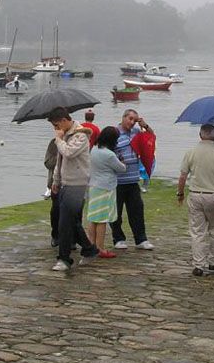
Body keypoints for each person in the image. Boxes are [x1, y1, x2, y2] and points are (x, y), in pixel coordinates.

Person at [176, 124, 214, 276]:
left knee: (197, 231)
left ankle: (198, 264)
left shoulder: (191, 153)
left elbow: (182, 176)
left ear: (200, 135)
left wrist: (180, 193)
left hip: (196, 194)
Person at [49, 107, 100, 271]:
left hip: (77, 184)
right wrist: (56, 180)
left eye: (57, 125)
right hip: (65, 183)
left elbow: (69, 153)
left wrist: (58, 140)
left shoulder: (81, 135)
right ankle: (89, 249)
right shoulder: (65, 136)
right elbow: (60, 160)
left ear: (64, 120)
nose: (56, 129)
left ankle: (64, 259)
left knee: (64, 223)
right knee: (72, 221)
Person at [110, 109, 154, 250]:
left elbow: (151, 137)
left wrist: (145, 125)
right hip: (118, 180)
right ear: (123, 118)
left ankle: (141, 239)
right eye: (130, 118)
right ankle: (118, 238)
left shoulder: (137, 132)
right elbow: (107, 152)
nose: (131, 122)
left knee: (137, 210)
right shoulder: (114, 133)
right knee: (116, 211)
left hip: (133, 179)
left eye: (134, 120)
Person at [87, 126, 126, 258]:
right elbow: (121, 169)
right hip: (106, 187)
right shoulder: (109, 155)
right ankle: (100, 248)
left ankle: (91, 245)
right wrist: (122, 162)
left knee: (93, 218)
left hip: (93, 186)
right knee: (102, 219)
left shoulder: (94, 149)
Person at [44, 138, 59, 245]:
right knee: (56, 211)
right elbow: (47, 163)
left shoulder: (75, 141)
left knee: (74, 213)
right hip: (55, 184)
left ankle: (73, 238)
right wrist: (60, 157)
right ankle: (56, 236)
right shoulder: (54, 143)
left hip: (72, 183)